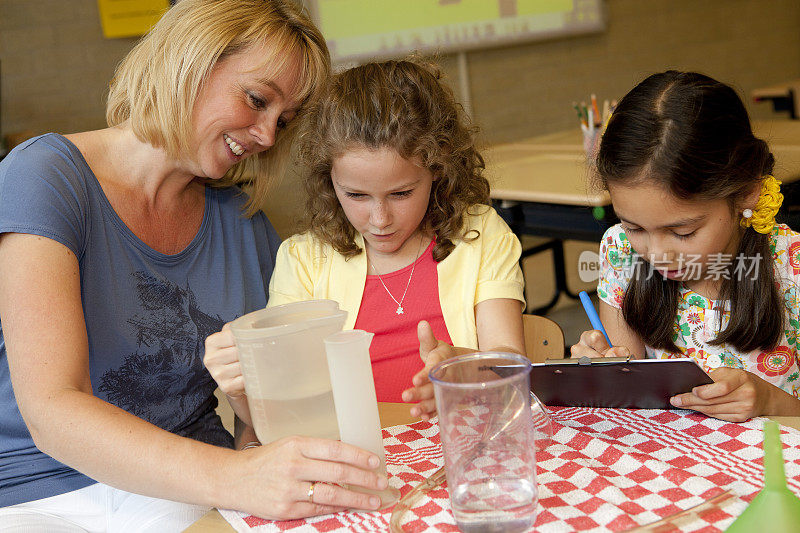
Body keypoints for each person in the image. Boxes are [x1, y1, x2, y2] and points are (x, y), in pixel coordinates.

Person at [0, 1, 389, 529]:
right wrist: (236, 475)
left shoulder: (244, 224)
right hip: (39, 490)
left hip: (187, 491)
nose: (268, 136)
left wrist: (249, 407)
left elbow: (267, 429)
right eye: (256, 101)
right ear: (190, 58)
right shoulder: (45, 178)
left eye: (284, 119)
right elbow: (52, 412)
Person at [204, 59, 526, 433]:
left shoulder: (480, 235)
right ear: (330, 180)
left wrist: (465, 369)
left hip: (464, 446)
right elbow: (279, 418)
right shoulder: (305, 261)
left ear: (438, 170)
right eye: (356, 194)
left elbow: (511, 368)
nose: (380, 218)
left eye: (401, 193)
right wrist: (240, 388)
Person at [571, 70, 800, 423]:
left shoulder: (791, 265)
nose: (657, 255)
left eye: (682, 232)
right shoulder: (621, 252)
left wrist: (771, 400)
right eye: (635, 227)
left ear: (746, 192)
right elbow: (630, 402)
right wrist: (605, 371)